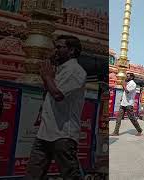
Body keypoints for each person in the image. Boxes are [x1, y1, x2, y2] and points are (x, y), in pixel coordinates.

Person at [25, 35, 87, 180]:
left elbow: (58, 96)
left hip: (63, 134)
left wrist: (47, 76)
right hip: (45, 132)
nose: (55, 51)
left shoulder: (75, 71)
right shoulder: (61, 69)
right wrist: (48, 77)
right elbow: (49, 93)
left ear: (71, 51)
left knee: (70, 175)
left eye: (59, 47)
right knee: (33, 174)